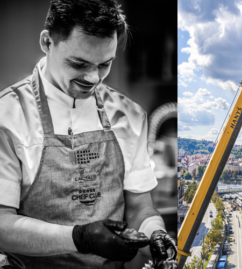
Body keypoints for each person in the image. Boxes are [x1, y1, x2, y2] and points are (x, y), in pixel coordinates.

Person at [0, 0, 175, 268]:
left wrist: (156, 233)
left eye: (105, 64)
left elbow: (140, 206)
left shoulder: (129, 115)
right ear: (47, 42)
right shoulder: (8, 115)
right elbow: (2, 225)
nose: (93, 78)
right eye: (79, 63)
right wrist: (80, 237)